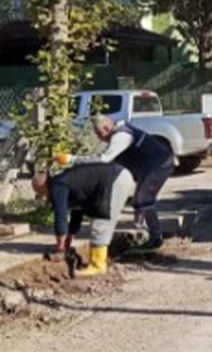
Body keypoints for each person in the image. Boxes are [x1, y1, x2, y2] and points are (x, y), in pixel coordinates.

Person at [61, 116, 174, 249]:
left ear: (106, 128)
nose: (99, 138)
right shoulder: (121, 132)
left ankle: (154, 238)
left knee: (143, 200)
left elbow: (105, 159)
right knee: (139, 201)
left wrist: (73, 159)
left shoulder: (122, 136)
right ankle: (145, 233)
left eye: (99, 133)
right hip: (154, 165)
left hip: (159, 165)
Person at [32, 163, 135, 277]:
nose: (42, 196)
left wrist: (60, 248)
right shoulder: (67, 181)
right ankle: (96, 261)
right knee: (98, 221)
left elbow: (60, 216)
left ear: (42, 186)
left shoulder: (57, 186)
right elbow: (77, 211)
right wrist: (69, 237)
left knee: (101, 223)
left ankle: (98, 266)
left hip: (114, 179)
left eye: (39, 192)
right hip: (117, 176)